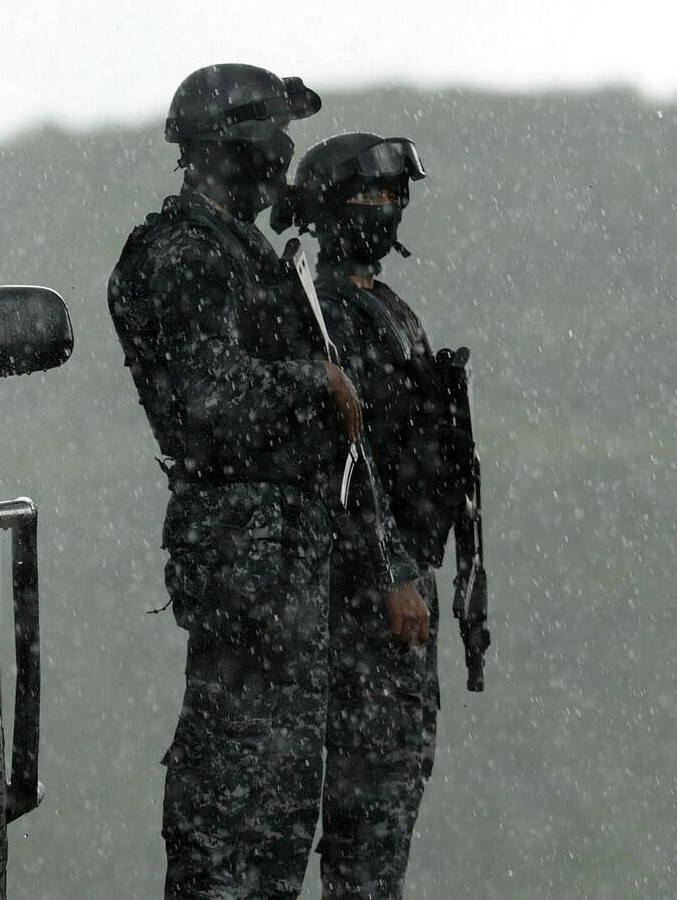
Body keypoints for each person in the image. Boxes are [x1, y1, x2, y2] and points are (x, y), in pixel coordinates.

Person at [109, 66, 431, 900]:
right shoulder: (180, 251)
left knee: (280, 807)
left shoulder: (244, 252)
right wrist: (314, 381)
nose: (285, 154)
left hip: (286, 553)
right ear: (235, 143)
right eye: (275, 137)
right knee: (236, 796)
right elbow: (206, 399)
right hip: (245, 553)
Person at [278, 132, 474, 898]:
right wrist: (391, 571)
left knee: (393, 791)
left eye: (397, 199)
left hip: (398, 572)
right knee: (371, 800)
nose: (388, 211)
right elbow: (346, 460)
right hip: (362, 587)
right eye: (372, 199)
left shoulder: (377, 303)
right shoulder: (328, 313)